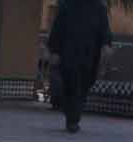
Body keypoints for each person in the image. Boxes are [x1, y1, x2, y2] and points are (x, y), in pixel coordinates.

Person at [46, 0, 113, 134]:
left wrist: (106, 45)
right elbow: (57, 28)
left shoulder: (98, 7)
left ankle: (73, 115)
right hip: (69, 55)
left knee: (83, 86)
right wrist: (54, 51)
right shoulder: (67, 5)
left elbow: (104, 30)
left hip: (90, 57)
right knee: (71, 85)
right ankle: (73, 119)